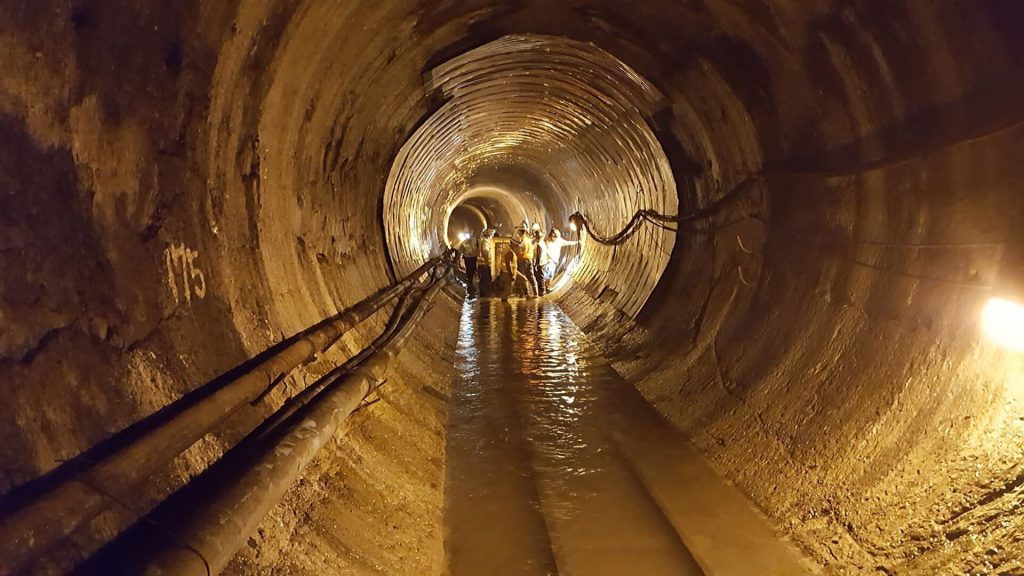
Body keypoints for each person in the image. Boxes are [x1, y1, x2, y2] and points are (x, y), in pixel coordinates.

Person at [537, 228, 579, 295]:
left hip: (554, 261)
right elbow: (546, 252)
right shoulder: (547, 241)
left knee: (550, 275)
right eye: (553, 237)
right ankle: (545, 288)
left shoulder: (559, 240)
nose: (554, 239)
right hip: (549, 261)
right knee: (546, 275)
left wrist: (577, 242)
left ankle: (546, 287)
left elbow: (567, 243)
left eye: (555, 237)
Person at [510, 225, 539, 298]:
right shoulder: (529, 240)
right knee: (531, 276)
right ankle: (536, 293)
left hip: (523, 260)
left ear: (520, 232)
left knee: (522, 278)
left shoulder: (522, 241)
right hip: (530, 259)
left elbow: (518, 251)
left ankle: (525, 294)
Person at [478, 228, 495, 296]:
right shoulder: (485, 242)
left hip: (481, 263)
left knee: (483, 280)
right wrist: (488, 263)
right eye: (492, 235)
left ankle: (483, 294)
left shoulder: (482, 241)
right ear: (489, 235)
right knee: (486, 280)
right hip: (484, 264)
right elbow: (485, 252)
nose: (492, 236)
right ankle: (485, 295)